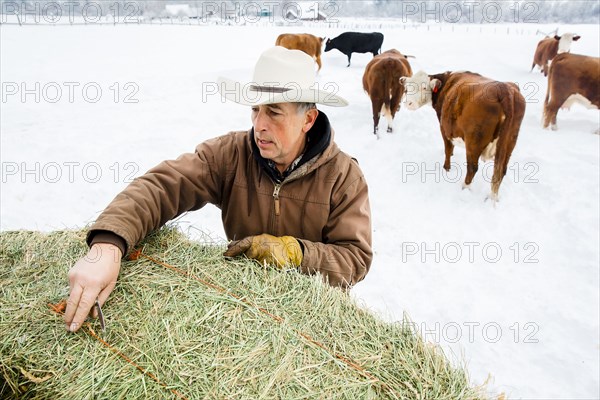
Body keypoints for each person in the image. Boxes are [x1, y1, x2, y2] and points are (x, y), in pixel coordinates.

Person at [64, 46, 372, 333]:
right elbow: (163, 185)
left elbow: (355, 259)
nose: (259, 124)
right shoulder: (231, 154)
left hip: (314, 319)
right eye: (255, 109)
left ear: (308, 119)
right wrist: (107, 245)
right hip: (243, 309)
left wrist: (295, 253)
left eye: (274, 112)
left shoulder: (344, 175)